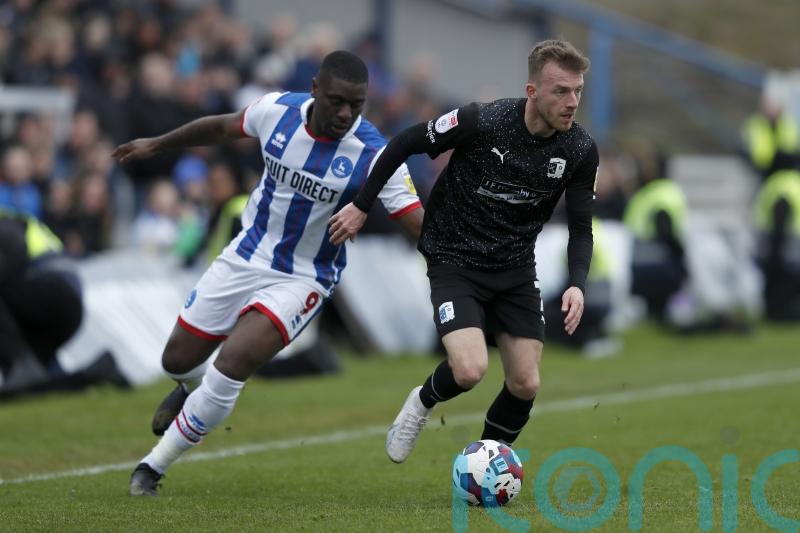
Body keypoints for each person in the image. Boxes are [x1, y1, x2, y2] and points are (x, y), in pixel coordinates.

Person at [112, 51, 423, 496]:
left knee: (232, 364)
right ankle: (190, 389)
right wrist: (157, 144)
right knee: (176, 360)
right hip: (245, 255)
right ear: (314, 88)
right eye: (336, 101)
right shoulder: (276, 111)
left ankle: (152, 467)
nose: (345, 114)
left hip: (305, 277)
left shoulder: (376, 155)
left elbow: (418, 226)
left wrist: (462, 265)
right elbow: (221, 127)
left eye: (357, 104)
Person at [329, 40, 597, 462]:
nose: (572, 102)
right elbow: (402, 144)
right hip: (455, 260)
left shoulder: (580, 150)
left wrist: (577, 284)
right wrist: (362, 206)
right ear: (532, 92)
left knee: (526, 383)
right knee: (470, 370)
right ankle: (421, 402)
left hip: (514, 269)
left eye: (578, 90)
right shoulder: (482, 121)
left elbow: (581, 228)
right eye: (560, 91)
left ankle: (487, 463)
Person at [0, 209, 128, 399]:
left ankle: (20, 365)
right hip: (64, 300)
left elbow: (10, 267)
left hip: (53, 294)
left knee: (25, 377)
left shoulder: (5, 224)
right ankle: (98, 372)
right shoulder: (14, 219)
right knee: (37, 385)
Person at [753, 168, 800, 320]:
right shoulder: (795, 182)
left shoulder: (779, 185)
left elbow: (779, 222)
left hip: (786, 250)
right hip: (794, 250)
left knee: (781, 302)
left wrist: (774, 255)